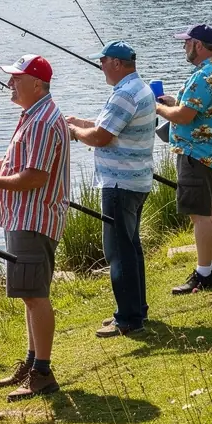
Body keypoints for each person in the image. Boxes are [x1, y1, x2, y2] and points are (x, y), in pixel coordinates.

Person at [0, 55, 69, 400]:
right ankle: (32, 361)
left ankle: (43, 372)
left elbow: (36, 177)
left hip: (33, 219)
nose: (10, 84)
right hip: (25, 217)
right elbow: (27, 166)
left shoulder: (41, 121)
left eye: (17, 78)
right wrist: (1, 166)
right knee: (30, 295)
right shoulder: (35, 115)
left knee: (35, 295)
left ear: (37, 84)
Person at [65, 41, 156, 338]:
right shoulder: (139, 89)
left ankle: (128, 319)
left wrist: (74, 131)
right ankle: (136, 309)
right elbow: (113, 127)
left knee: (118, 252)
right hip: (136, 180)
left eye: (103, 61)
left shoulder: (124, 94)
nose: (100, 66)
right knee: (131, 248)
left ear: (117, 63)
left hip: (120, 183)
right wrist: (82, 123)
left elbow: (102, 137)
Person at [155, 23, 212, 293]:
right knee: (209, 209)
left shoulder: (204, 76)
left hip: (196, 153)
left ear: (198, 45)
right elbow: (192, 109)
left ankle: (202, 275)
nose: (183, 47)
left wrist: (154, 106)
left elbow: (183, 117)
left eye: (186, 43)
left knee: (199, 215)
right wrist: (172, 102)